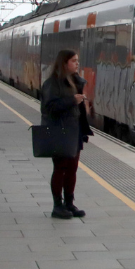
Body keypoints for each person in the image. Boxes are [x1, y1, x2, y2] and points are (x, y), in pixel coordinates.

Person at [40, 50, 90, 220]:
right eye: (74, 61)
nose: (77, 63)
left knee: (72, 169)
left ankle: (69, 203)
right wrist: (72, 101)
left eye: (77, 60)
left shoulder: (75, 81)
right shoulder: (52, 84)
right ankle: (57, 206)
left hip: (74, 131)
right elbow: (49, 108)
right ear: (64, 63)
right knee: (60, 168)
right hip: (59, 131)